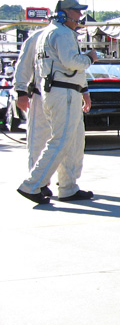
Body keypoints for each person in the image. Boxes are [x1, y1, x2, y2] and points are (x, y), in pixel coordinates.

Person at [16, 0, 97, 205]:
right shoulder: (58, 34)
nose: (79, 16)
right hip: (53, 92)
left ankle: (67, 187)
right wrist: (90, 58)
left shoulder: (58, 34)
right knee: (53, 141)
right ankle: (34, 183)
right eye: (76, 12)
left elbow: (69, 69)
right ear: (64, 13)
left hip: (64, 91)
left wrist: (84, 90)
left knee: (72, 141)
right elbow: (71, 63)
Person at [12, 27, 54, 199]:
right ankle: (39, 183)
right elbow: (23, 65)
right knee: (38, 140)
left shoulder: (69, 36)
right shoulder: (37, 37)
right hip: (40, 95)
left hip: (64, 98)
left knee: (65, 142)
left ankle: (67, 183)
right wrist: (21, 92)